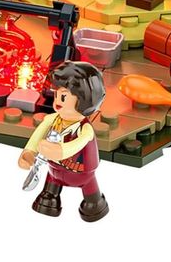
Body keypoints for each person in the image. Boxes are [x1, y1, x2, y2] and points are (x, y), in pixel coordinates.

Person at [18, 61, 109, 222]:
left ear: (84, 100)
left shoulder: (85, 129)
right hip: (55, 170)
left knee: (91, 198)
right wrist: (29, 152)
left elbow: (78, 144)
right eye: (56, 95)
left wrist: (60, 151)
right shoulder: (52, 119)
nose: (57, 102)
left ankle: (94, 203)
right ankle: (49, 198)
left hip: (81, 173)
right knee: (50, 189)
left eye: (63, 97)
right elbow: (38, 135)